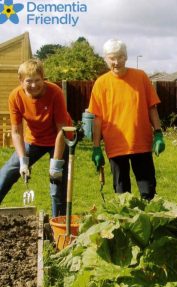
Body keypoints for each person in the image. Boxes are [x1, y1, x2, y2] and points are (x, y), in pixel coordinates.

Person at [88, 39, 165, 200]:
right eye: (112, 58)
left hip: (141, 143)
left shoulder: (141, 77)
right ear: (106, 59)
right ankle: (126, 224)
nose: (116, 62)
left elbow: (152, 107)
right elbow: (97, 119)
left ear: (126, 57)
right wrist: (96, 148)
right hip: (115, 145)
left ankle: (150, 222)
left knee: (148, 191)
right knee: (122, 193)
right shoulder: (101, 84)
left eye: (120, 57)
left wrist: (158, 133)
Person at [0, 59, 72, 217]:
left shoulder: (55, 93)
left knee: (57, 187)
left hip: (58, 139)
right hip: (33, 140)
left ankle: (57, 225)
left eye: (37, 80)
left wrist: (56, 164)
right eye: (28, 81)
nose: (34, 85)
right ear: (20, 81)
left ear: (43, 78)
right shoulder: (15, 97)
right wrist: (23, 161)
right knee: (6, 173)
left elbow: (62, 130)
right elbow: (17, 132)